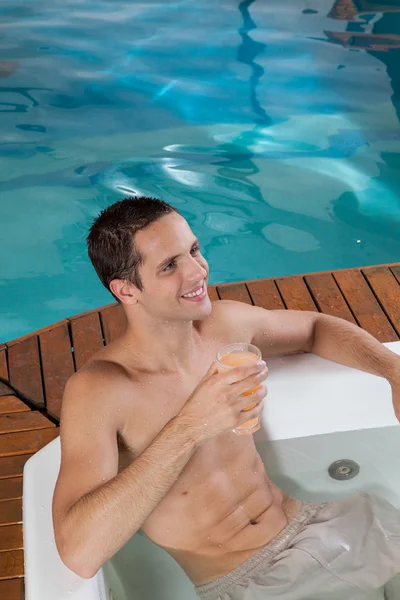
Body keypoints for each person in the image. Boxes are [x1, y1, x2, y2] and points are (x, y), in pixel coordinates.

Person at [52, 196, 400, 600]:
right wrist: (191, 426)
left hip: (320, 524)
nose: (198, 271)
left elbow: (316, 328)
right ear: (127, 290)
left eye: (194, 250)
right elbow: (79, 553)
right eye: (170, 265)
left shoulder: (224, 326)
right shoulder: (101, 390)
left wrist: (393, 372)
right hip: (251, 582)